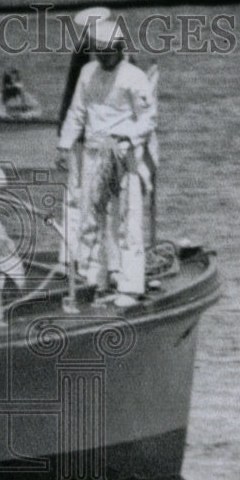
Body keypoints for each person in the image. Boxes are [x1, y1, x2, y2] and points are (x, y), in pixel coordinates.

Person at [56, 21, 156, 307]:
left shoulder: (135, 77)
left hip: (123, 153)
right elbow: (77, 112)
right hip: (92, 152)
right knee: (89, 217)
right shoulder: (88, 73)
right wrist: (64, 145)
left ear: (120, 49)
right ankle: (91, 278)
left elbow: (148, 118)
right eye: (97, 52)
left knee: (127, 220)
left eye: (107, 53)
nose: (101, 58)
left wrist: (129, 137)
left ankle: (130, 285)